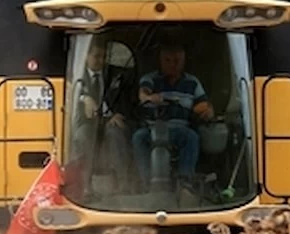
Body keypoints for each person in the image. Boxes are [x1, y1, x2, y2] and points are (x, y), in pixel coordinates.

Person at [132, 40, 214, 184]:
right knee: (138, 137)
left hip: (180, 130)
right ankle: (145, 183)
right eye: (168, 60)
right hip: (152, 129)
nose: (172, 64)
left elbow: (204, 104)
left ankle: (185, 182)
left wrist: (208, 111)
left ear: (183, 61)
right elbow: (143, 94)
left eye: (177, 60)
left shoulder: (192, 82)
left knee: (192, 137)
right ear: (160, 61)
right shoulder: (150, 78)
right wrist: (149, 97)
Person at [72, 38, 132, 183]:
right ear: (86, 56)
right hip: (85, 122)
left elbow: (121, 97)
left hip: (107, 120)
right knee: (84, 135)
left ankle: (123, 181)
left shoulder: (113, 74)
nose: (100, 61)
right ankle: (84, 183)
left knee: (115, 132)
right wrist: (84, 98)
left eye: (103, 57)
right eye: (96, 56)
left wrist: (116, 113)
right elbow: (71, 92)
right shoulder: (77, 74)